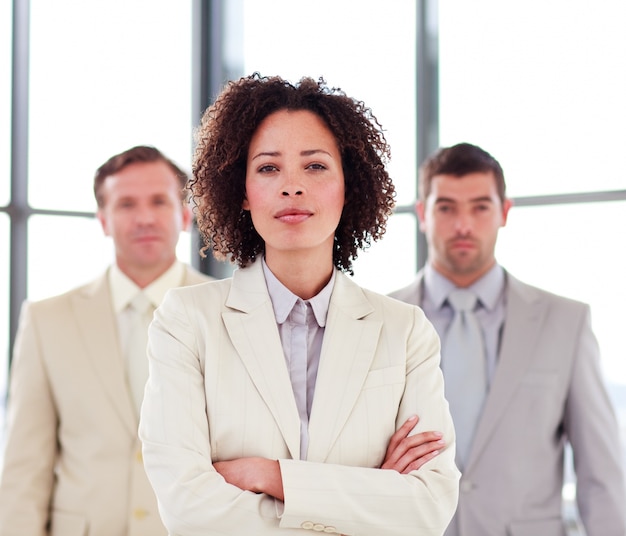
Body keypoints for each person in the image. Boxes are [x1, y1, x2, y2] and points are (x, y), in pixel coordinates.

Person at [138, 74, 460, 536]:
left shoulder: (404, 330)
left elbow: (428, 507)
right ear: (243, 192)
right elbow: (189, 509)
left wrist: (272, 477)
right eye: (268, 168)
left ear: (348, 187)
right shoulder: (187, 322)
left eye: (315, 166)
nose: (292, 186)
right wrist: (370, 494)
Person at [389, 142, 626, 536]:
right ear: (423, 215)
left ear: (504, 212)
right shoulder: (380, 321)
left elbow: (600, 475)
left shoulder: (566, 322)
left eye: (480, 207)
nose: (463, 225)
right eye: (446, 207)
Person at [0, 145, 211, 536]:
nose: (144, 217)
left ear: (185, 215)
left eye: (159, 202)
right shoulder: (47, 320)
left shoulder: (228, 313)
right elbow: (24, 467)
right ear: (103, 220)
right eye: (126, 204)